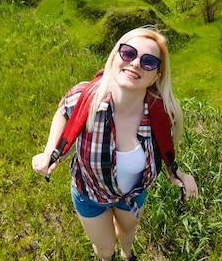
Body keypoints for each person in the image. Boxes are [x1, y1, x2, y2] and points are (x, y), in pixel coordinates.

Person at [32, 26, 198, 261]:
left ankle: (127, 254)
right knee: (104, 249)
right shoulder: (85, 96)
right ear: (115, 57)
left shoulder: (161, 114)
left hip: (133, 195)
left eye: (148, 61)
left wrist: (176, 172)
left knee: (128, 232)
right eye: (128, 53)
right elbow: (63, 111)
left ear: (157, 75)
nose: (136, 63)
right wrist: (50, 150)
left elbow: (164, 146)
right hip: (90, 193)